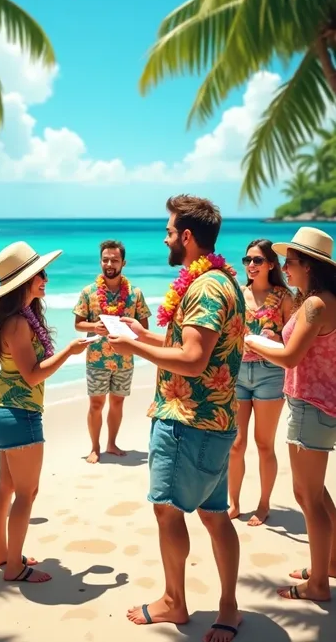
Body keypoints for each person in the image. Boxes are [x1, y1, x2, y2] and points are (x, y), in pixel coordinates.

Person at [108, 195, 245, 642]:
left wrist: (132, 349)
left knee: (167, 511)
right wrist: (144, 332)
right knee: (215, 514)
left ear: (187, 237)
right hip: (215, 420)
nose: (165, 238)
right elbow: (189, 343)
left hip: (188, 421)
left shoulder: (205, 287)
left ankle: (174, 601)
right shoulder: (222, 279)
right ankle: (227, 607)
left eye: (169, 232)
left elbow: (192, 359)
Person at [0, 241, 88, 583]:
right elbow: (32, 375)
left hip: (2, 409)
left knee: (6, 486)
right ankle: (14, 566)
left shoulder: (21, 316)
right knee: (26, 493)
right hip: (19, 413)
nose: (45, 278)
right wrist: (70, 352)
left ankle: (2, 552)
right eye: (38, 274)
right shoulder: (18, 323)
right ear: (23, 282)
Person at [245, 227, 336, 603]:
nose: (286, 267)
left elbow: (290, 357)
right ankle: (328, 564)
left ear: (310, 267)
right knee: (317, 493)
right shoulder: (319, 299)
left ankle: (317, 585)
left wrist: (251, 341)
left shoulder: (315, 304)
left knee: (307, 495)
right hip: (317, 403)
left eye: (292, 262)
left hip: (310, 405)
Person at [228, 239, 293, 526]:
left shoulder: (284, 297)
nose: (250, 265)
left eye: (256, 260)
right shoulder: (237, 294)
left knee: (264, 444)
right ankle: (234, 503)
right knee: (235, 445)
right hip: (238, 373)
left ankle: (264, 504)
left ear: (271, 264)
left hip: (270, 373)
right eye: (247, 260)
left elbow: (294, 340)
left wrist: (276, 339)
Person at [73, 240, 151, 463]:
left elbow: (144, 329)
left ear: (123, 263)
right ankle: (95, 447)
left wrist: (129, 330)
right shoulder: (88, 292)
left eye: (114, 260)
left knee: (118, 403)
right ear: (100, 261)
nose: (109, 264)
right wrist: (93, 327)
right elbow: (78, 324)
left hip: (125, 359)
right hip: (97, 358)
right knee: (96, 404)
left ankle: (112, 443)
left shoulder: (135, 294)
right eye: (105, 259)